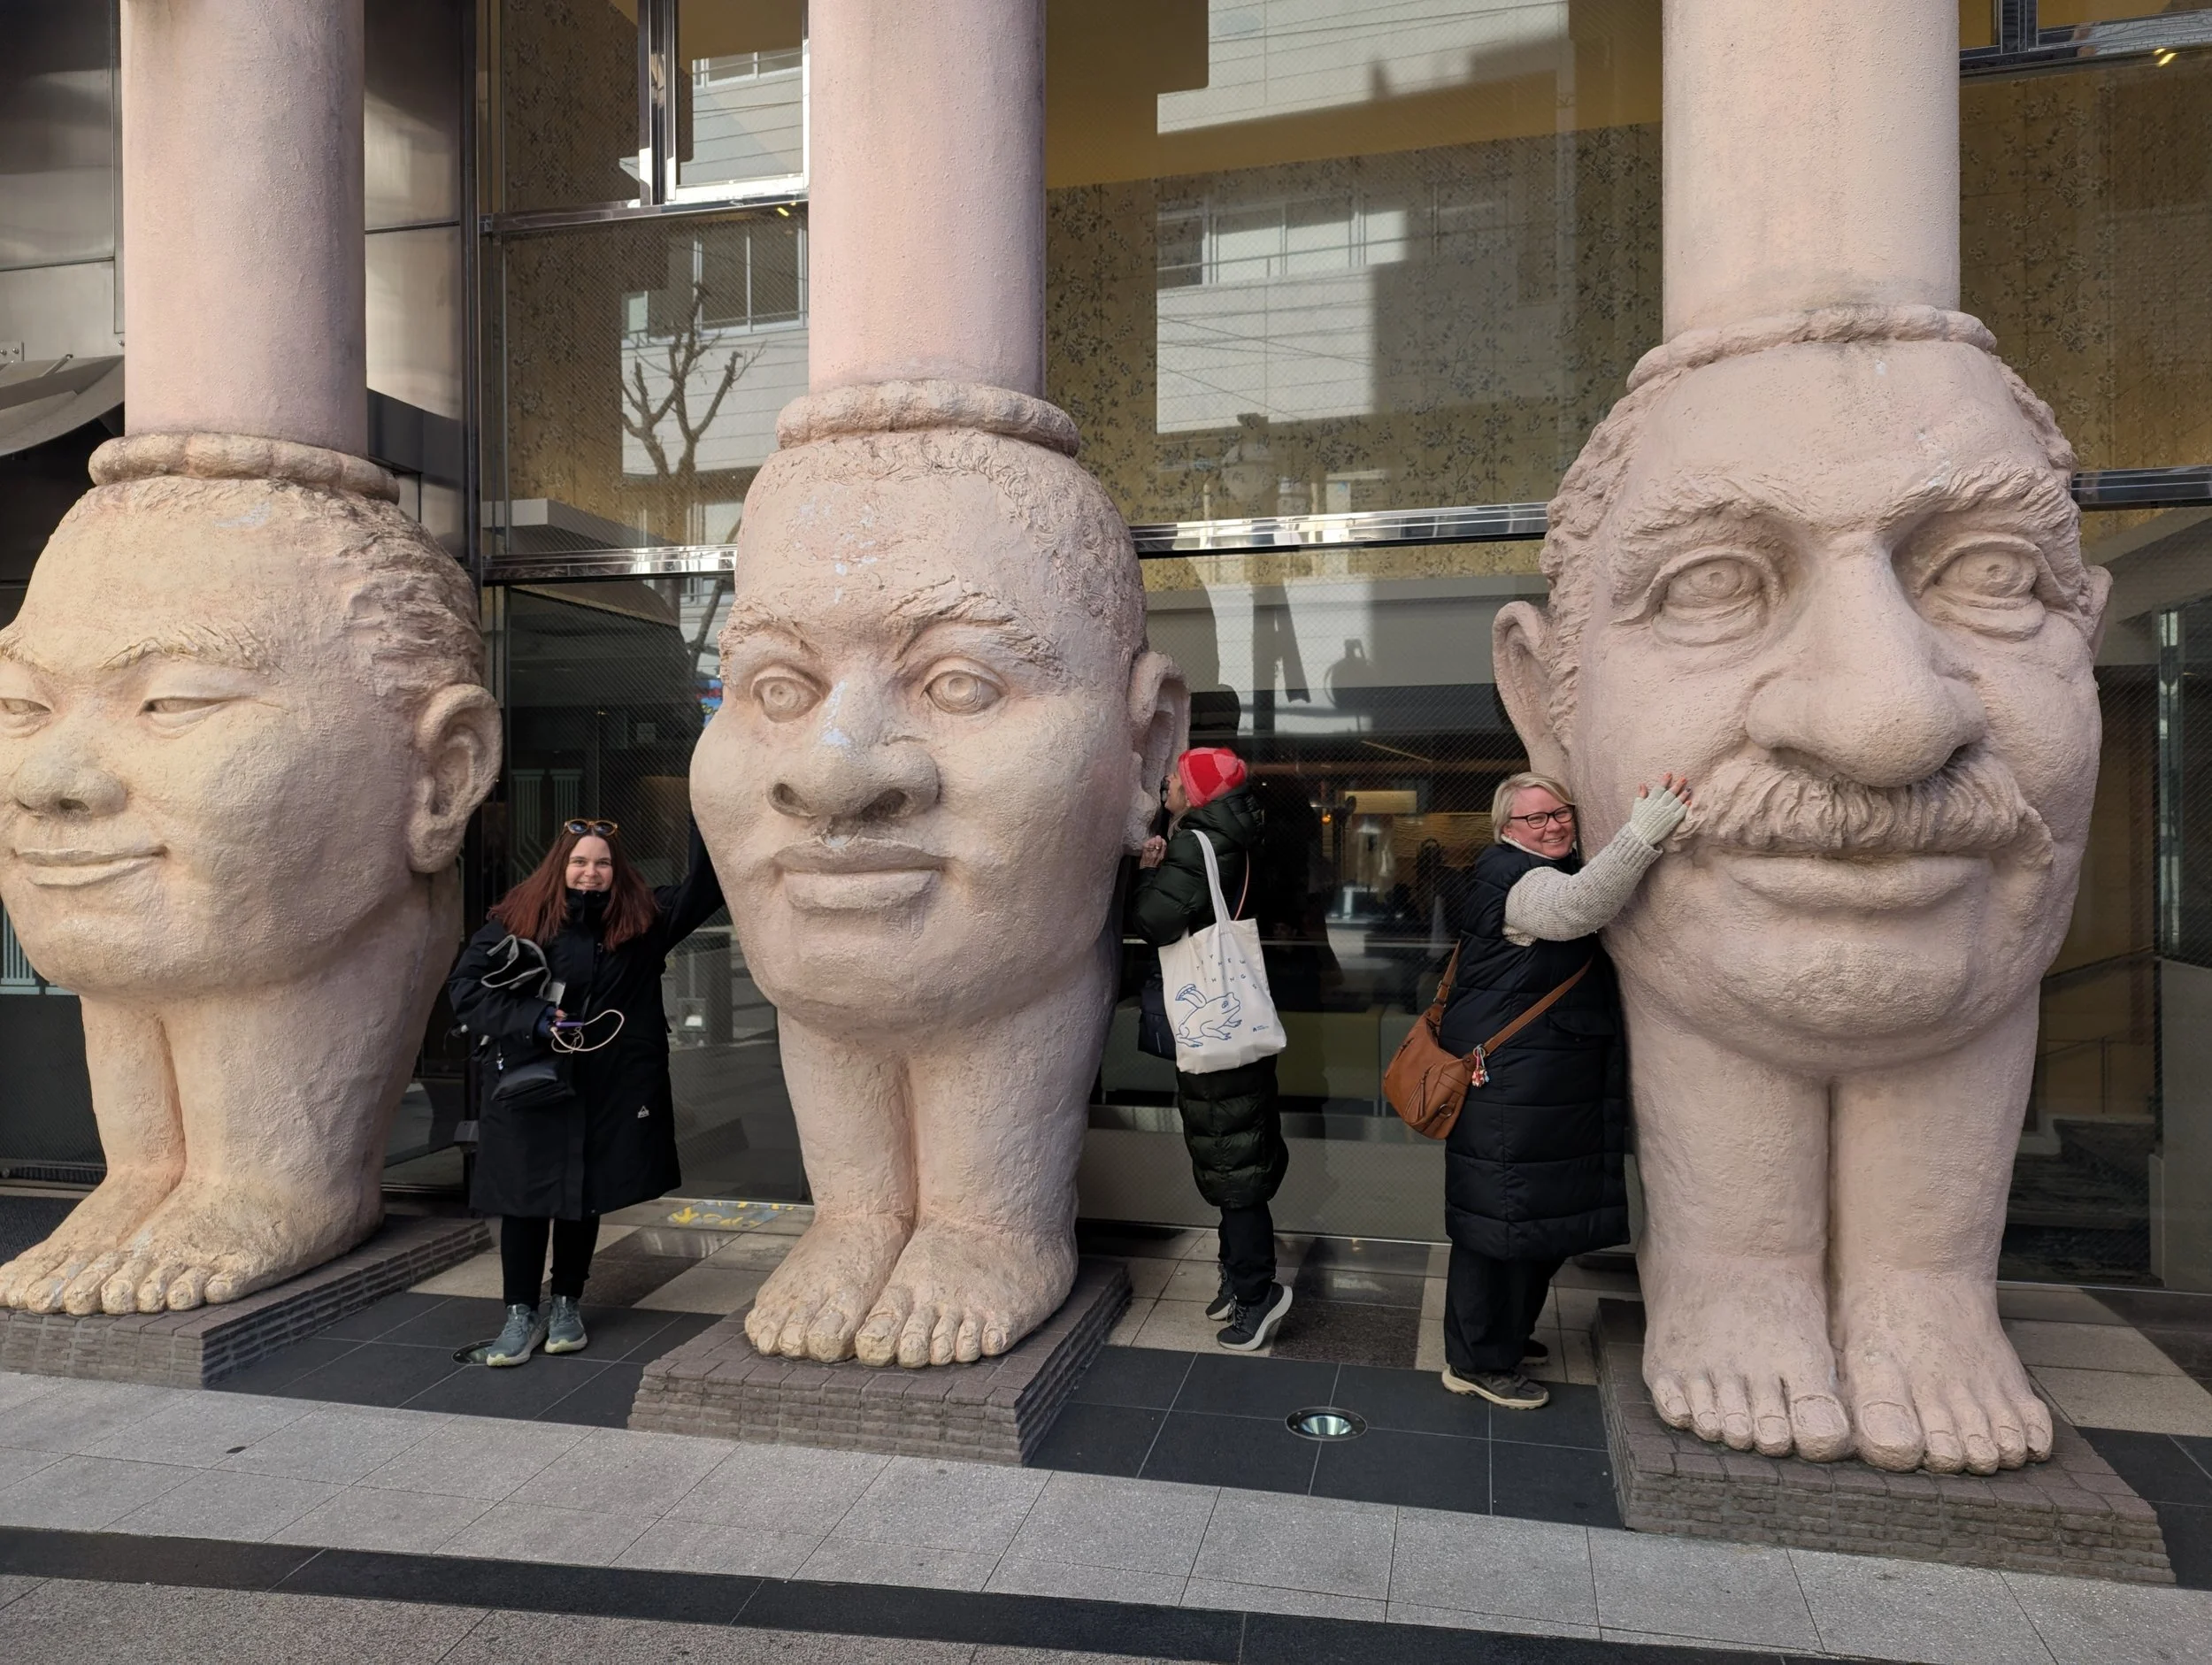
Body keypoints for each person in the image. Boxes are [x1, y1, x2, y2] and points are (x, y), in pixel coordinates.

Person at [1437, 769, 1690, 1408]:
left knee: (1527, 1221)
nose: (1552, 826)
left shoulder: (1535, 866)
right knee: (1497, 1228)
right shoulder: (1516, 878)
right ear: (1506, 828)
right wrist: (1642, 834)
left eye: (1560, 813)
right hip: (1511, 1088)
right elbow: (1577, 907)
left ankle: (1502, 1337)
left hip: (1534, 1083)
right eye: (1535, 818)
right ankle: (1475, 1361)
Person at [448, 817, 723, 1366]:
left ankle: (566, 1304)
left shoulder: (644, 918)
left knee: (582, 1197)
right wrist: (534, 1017)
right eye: (579, 862)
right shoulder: (517, 918)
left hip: (605, 1087)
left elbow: (706, 885)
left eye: (602, 863)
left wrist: (705, 799)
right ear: (561, 866)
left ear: (617, 870)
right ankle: (520, 1314)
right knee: (523, 1201)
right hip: (529, 1085)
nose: (590, 873)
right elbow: (464, 989)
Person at [1132, 747, 1293, 1352]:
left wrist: (1148, 873)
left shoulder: (1195, 846)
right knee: (1238, 1151)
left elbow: (1154, 920)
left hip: (1214, 1028)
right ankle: (1236, 1274)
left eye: (1174, 779)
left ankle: (1257, 1292)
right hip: (1240, 1021)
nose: (1167, 786)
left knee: (1231, 1163)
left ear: (1196, 792)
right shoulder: (1243, 838)